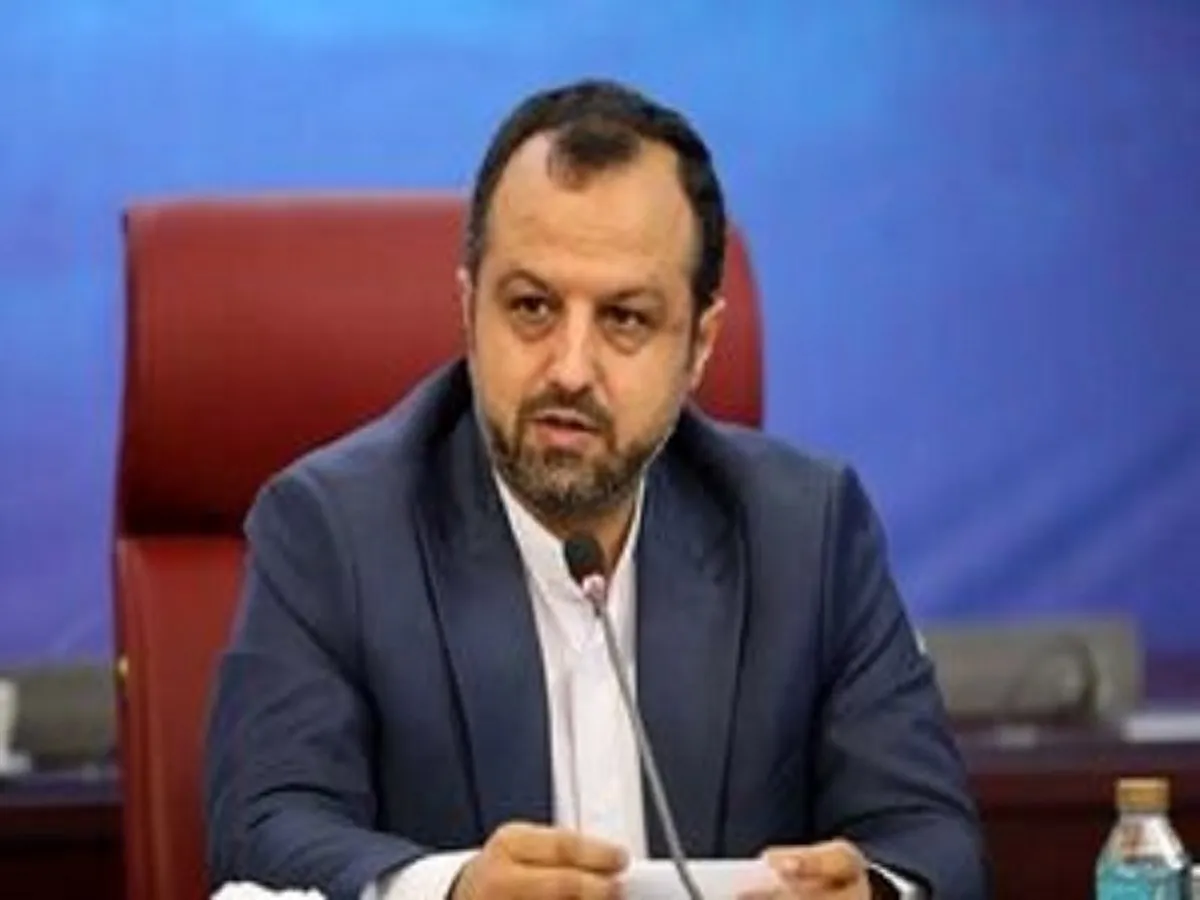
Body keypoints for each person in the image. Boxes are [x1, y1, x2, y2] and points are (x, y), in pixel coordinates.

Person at [204, 79, 988, 900]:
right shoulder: (333, 531)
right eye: (532, 307)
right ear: (469, 309)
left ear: (700, 344)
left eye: (625, 319)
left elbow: (933, 841)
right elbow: (263, 829)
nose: (571, 369)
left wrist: (874, 892)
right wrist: (453, 891)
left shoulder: (808, 532)